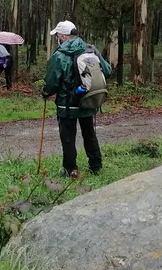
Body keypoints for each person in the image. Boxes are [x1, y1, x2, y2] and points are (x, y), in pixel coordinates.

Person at [43, 21, 112, 178]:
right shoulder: (91, 50)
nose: (58, 39)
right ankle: (96, 166)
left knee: (68, 137)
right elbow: (107, 71)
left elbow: (52, 81)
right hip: (89, 101)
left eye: (58, 36)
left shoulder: (60, 55)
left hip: (67, 105)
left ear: (63, 36)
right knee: (89, 134)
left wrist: (45, 92)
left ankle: (70, 169)